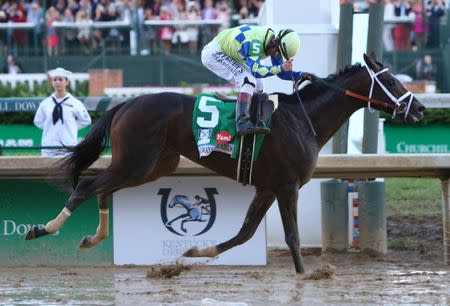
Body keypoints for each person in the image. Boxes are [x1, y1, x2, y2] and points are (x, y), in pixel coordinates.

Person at [201, 24, 312, 135]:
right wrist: (280, 68)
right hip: (213, 53)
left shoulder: (273, 43)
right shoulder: (255, 43)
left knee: (259, 85)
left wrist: (301, 75)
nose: (277, 55)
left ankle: (254, 118)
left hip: (230, 53)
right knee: (249, 80)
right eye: (277, 52)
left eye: (280, 54)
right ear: (275, 42)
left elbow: (281, 74)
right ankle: (242, 122)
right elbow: (257, 71)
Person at [33, 67, 92, 157]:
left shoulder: (75, 103)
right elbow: (38, 121)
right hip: (49, 148)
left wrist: (72, 126)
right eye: (55, 79)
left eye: (60, 79)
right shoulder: (45, 103)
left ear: (66, 82)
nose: (57, 82)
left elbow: (86, 120)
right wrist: (50, 127)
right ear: (52, 82)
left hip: (68, 148)